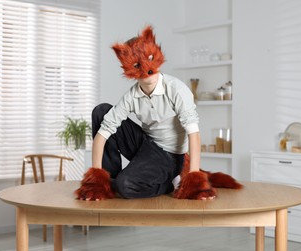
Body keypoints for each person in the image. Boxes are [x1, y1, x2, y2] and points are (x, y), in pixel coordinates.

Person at [75, 26, 241, 201]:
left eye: (149, 59)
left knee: (126, 186)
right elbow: (103, 133)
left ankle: (169, 182)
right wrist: (96, 180)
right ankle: (110, 181)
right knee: (101, 111)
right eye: (138, 65)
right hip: (146, 144)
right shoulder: (132, 95)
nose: (147, 70)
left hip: (170, 154)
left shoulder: (176, 89)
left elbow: (194, 134)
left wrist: (193, 178)